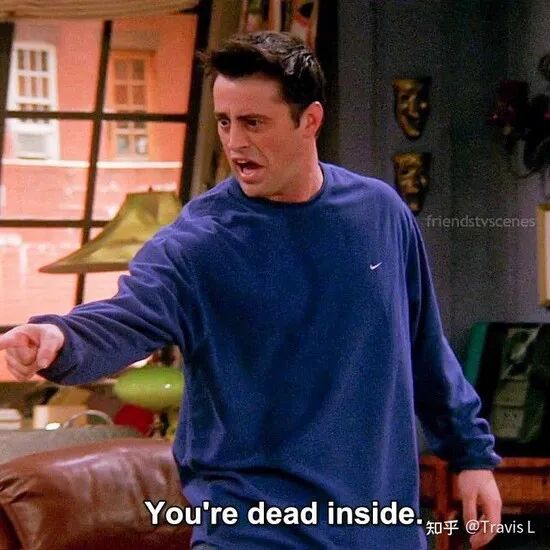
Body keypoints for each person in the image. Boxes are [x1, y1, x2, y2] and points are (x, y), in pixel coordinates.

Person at [0, 31, 501, 549]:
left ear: (310, 120)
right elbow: (130, 315)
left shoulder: (380, 214)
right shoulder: (198, 244)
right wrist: (61, 338)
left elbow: (423, 347)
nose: (235, 143)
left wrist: (471, 456)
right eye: (224, 121)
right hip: (251, 532)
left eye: (253, 123)